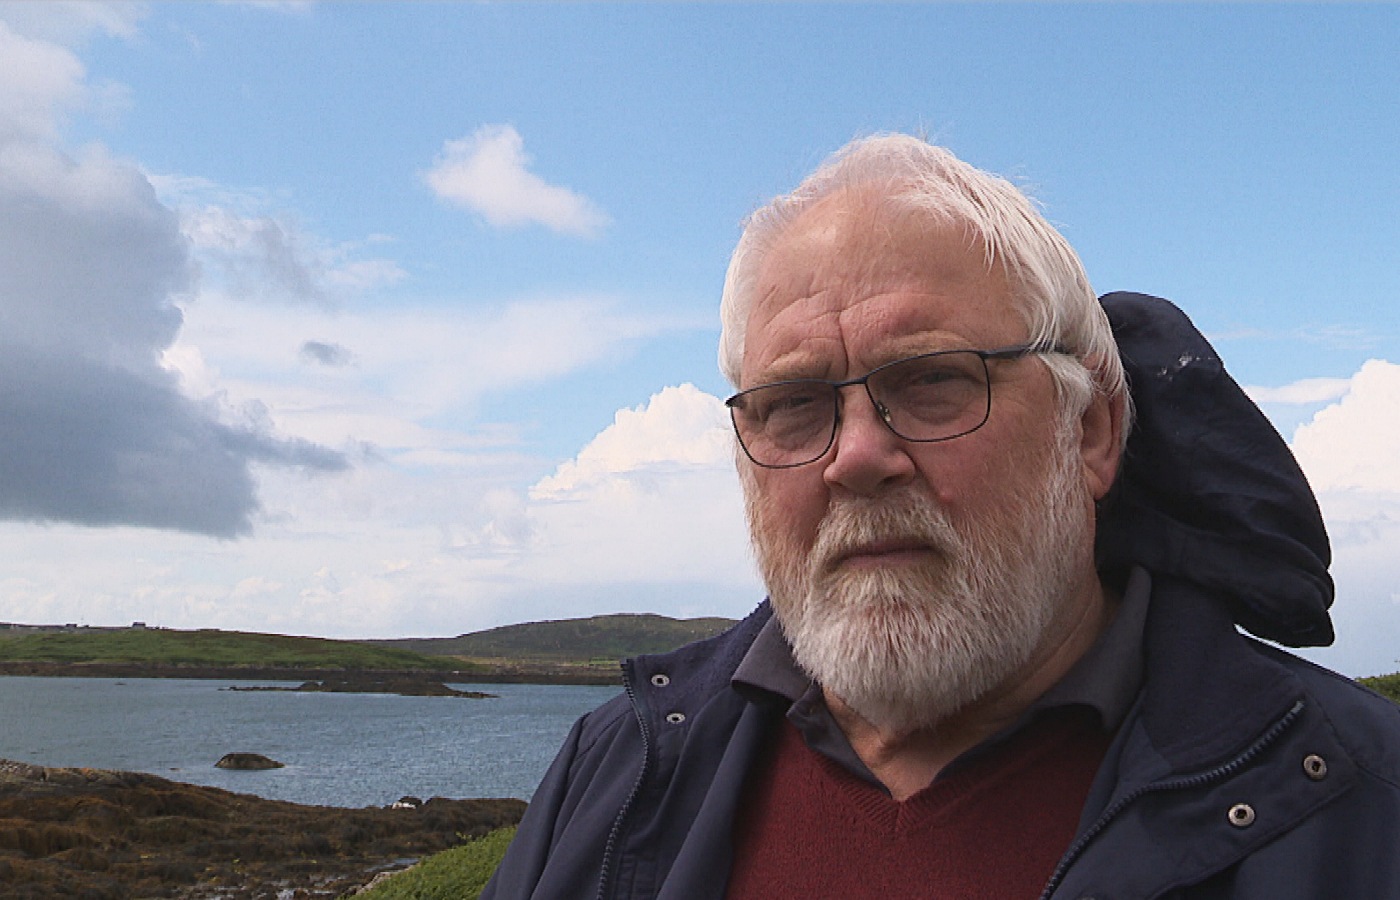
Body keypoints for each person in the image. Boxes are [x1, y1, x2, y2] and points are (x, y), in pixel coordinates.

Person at [482, 135, 1400, 899]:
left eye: (931, 381)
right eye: (795, 402)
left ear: (1090, 430)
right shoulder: (613, 774)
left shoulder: (1358, 805)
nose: (856, 458)